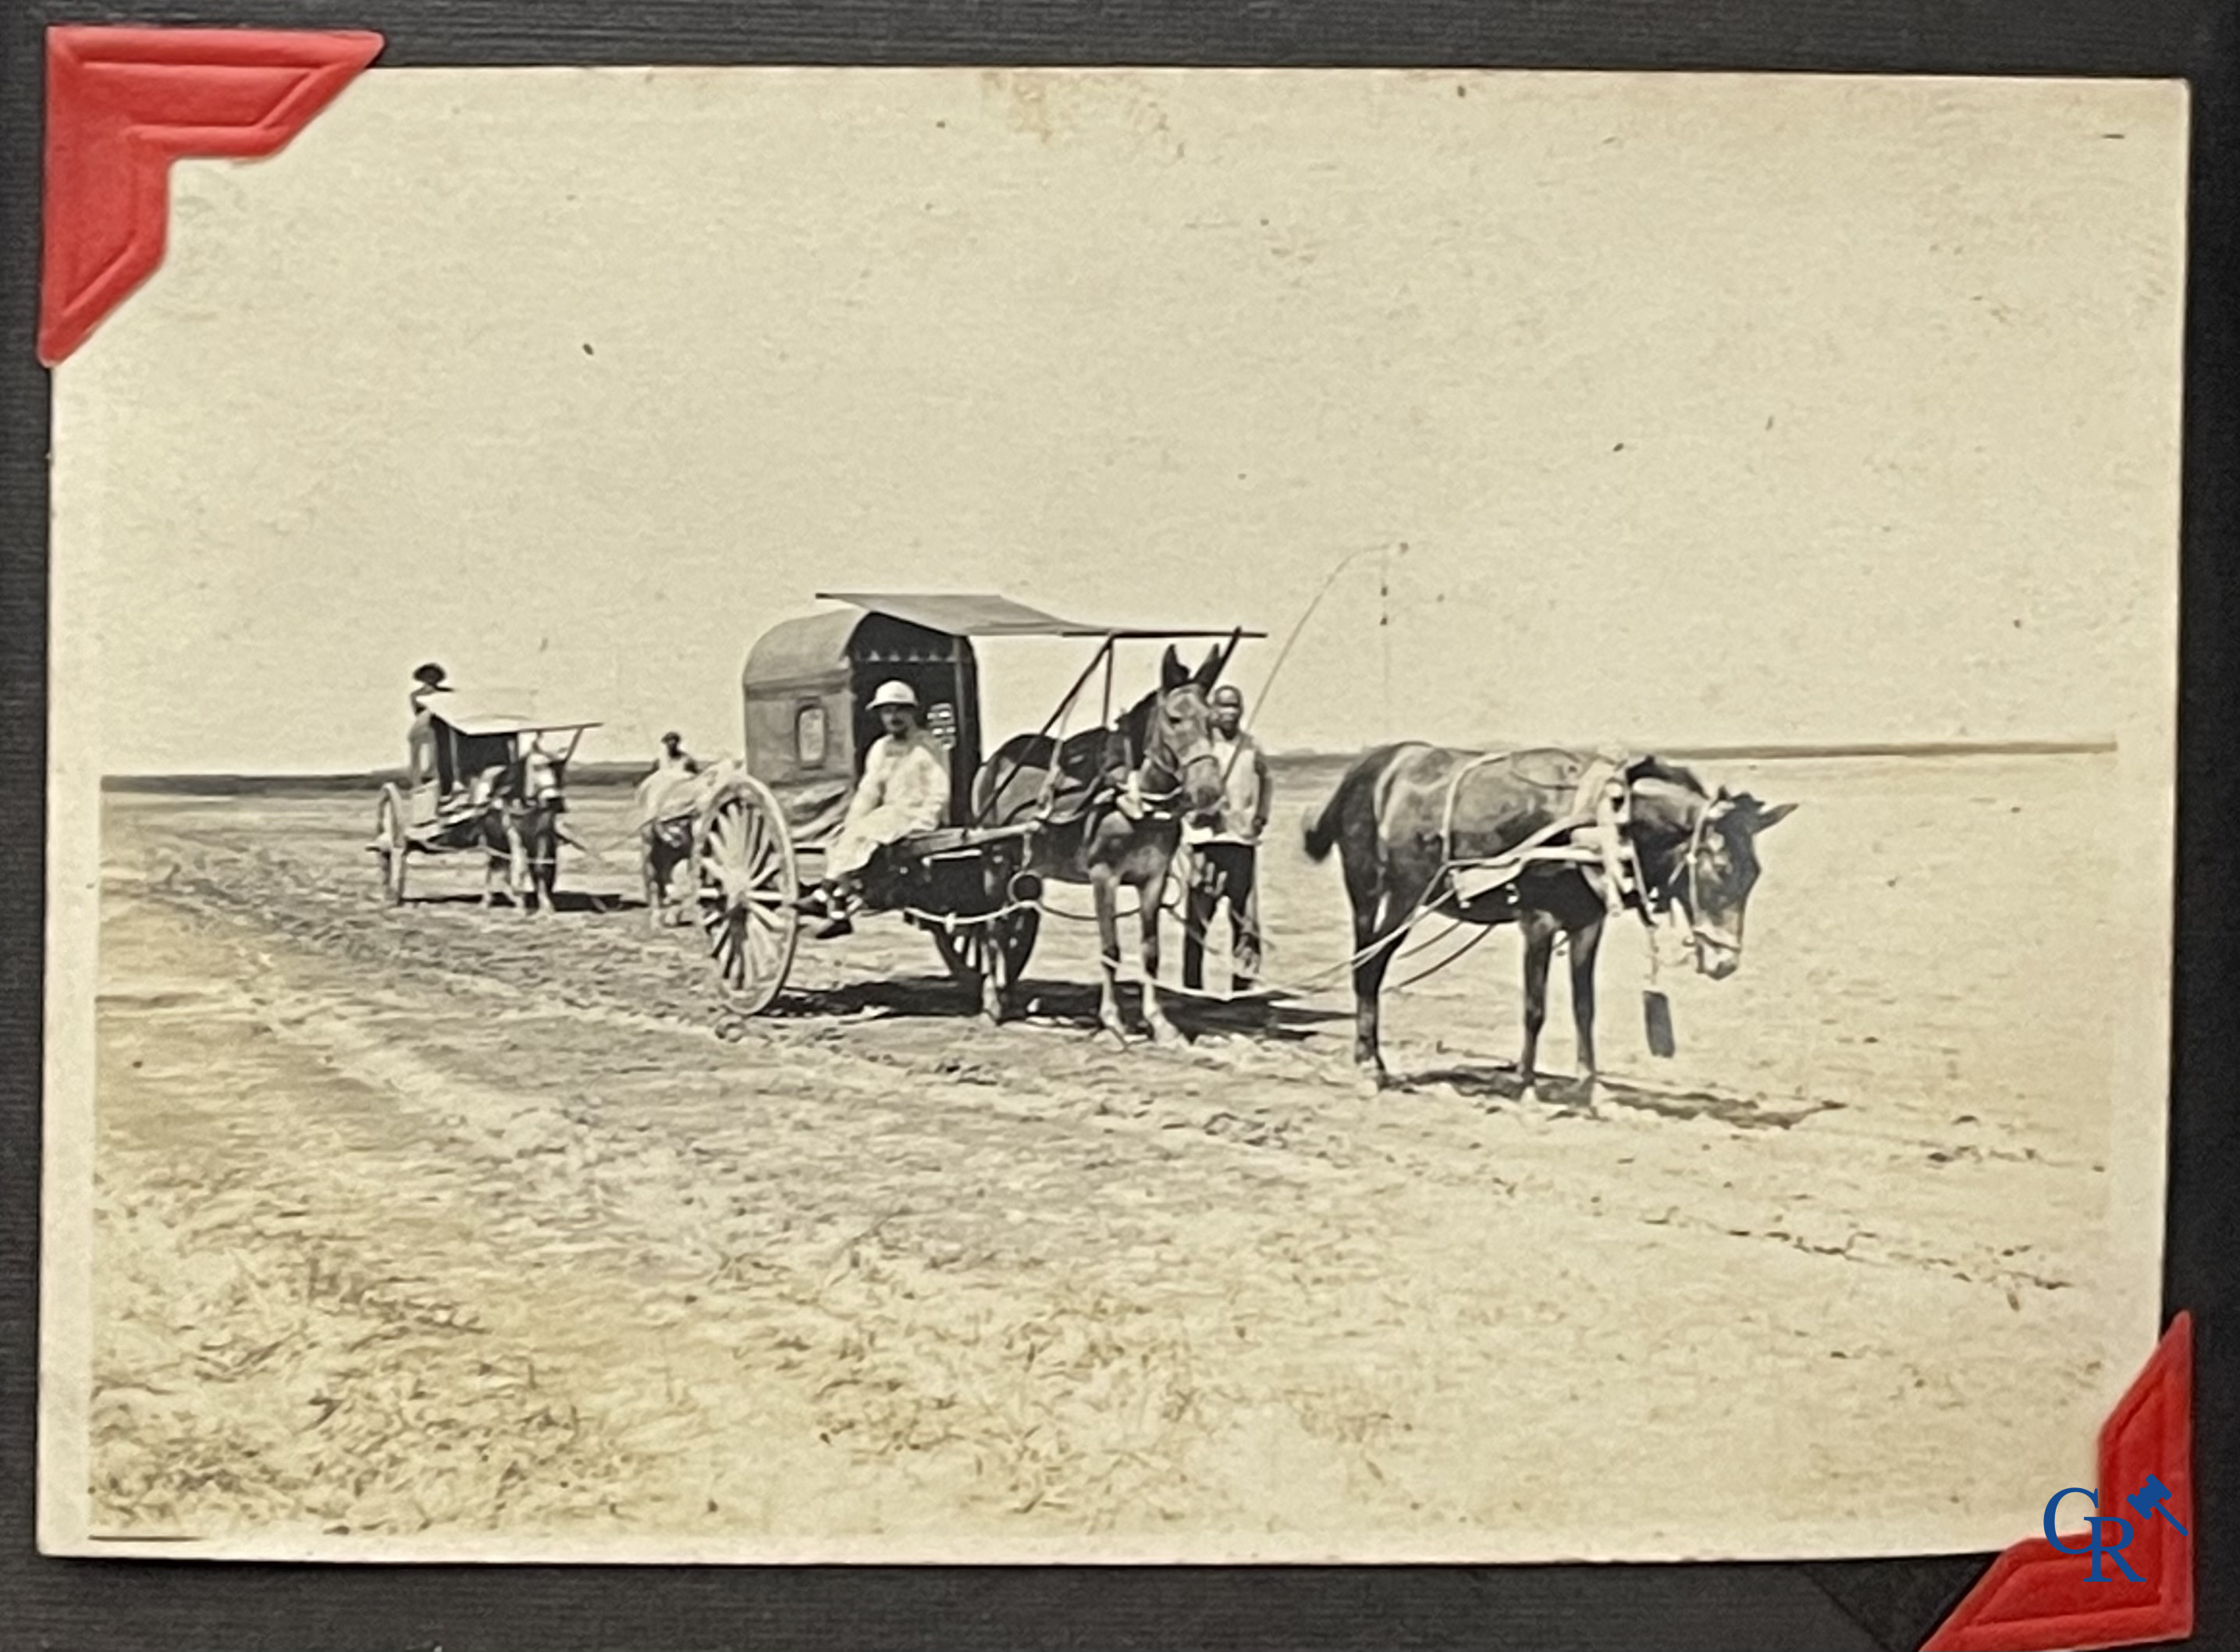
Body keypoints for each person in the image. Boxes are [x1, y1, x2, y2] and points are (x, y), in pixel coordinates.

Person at [809, 680, 951, 938]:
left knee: (865, 833)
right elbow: (869, 792)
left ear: (912, 713)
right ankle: (838, 910)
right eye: (887, 711)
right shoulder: (880, 749)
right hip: (890, 814)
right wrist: (853, 822)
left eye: (900, 710)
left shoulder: (928, 746)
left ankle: (824, 892)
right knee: (844, 836)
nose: (894, 717)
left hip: (916, 816)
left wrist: (928, 820)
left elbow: (939, 790)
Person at [1181, 683, 1270, 993]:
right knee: (1198, 919)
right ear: (1213, 712)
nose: (1229, 713)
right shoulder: (1202, 747)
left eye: (1235, 706)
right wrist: (1197, 812)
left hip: (1242, 841)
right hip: (1207, 841)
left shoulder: (1251, 746)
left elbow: (1266, 780)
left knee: (1245, 920)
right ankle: (1192, 987)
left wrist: (1262, 816)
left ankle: (1241, 987)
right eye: (1223, 707)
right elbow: (1185, 789)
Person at [405, 662, 453, 809]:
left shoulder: (447, 693)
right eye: (428, 676)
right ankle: (423, 778)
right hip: (430, 724)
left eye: (433, 676)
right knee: (427, 745)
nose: (431, 678)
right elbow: (420, 714)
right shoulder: (417, 696)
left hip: (445, 724)